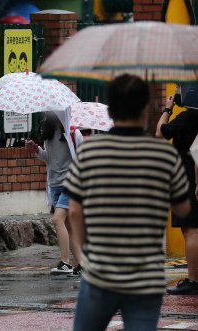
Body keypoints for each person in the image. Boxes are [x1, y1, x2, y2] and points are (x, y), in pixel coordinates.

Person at [67, 74, 191, 331]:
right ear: (146, 109)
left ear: (110, 111)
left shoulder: (90, 152)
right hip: (145, 277)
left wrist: (81, 255)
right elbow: (183, 208)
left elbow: (74, 211)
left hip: (100, 273)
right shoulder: (164, 156)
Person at [26, 112, 83, 276]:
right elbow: (49, 159)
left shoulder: (73, 133)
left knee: (58, 220)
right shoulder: (49, 134)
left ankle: (65, 263)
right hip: (55, 185)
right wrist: (36, 150)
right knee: (68, 227)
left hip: (70, 184)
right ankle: (82, 264)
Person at [156, 86, 198, 295]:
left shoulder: (189, 117)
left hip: (187, 178)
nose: (178, 91)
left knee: (190, 230)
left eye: (181, 88)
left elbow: (159, 133)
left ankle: (193, 280)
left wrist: (167, 108)